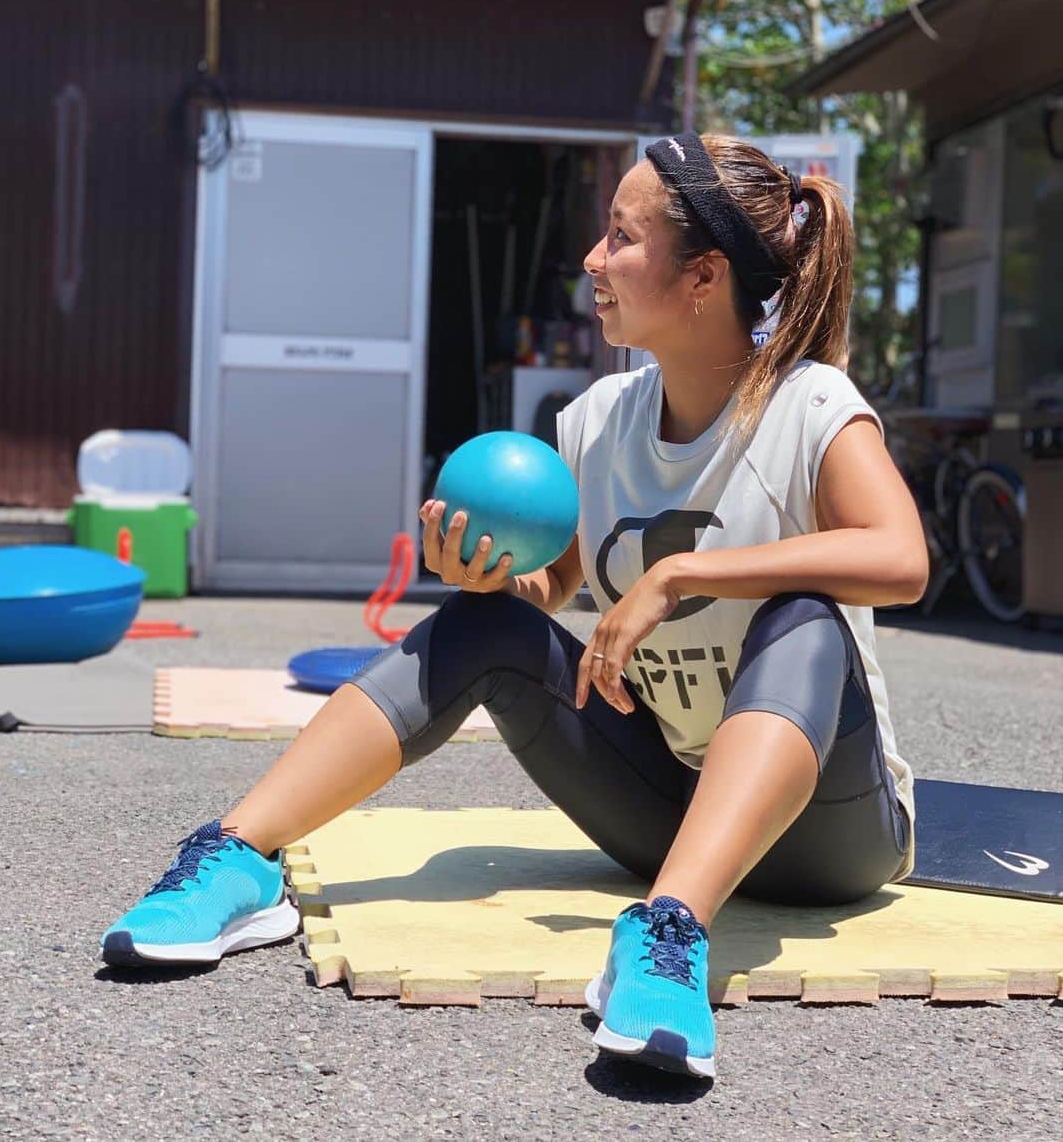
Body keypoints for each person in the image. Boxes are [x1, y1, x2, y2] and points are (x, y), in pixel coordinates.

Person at [101, 133, 928, 1083]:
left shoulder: (809, 404)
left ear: (703, 276)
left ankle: (667, 938)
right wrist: (491, 579)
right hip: (669, 806)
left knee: (804, 617)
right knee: (486, 627)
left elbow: (900, 559)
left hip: (834, 833)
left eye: (621, 237)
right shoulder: (597, 423)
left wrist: (685, 575)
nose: (592, 260)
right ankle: (238, 860)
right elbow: (552, 591)